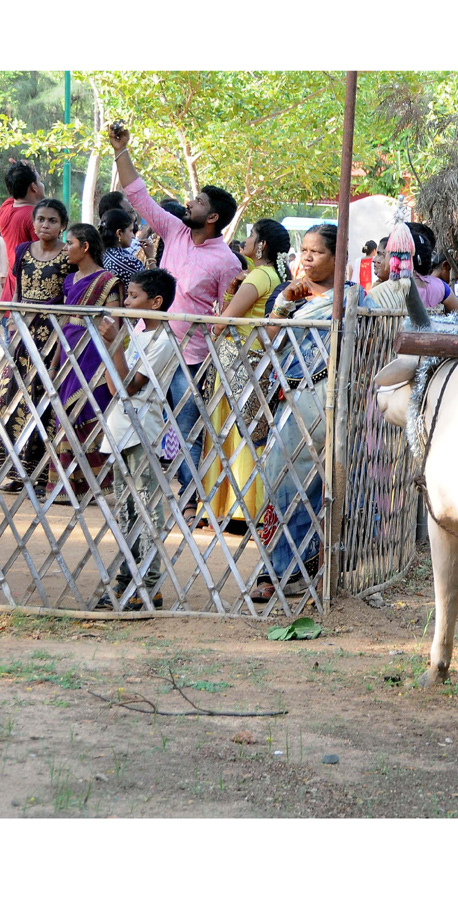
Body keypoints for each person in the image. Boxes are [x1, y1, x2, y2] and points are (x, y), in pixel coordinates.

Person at [108, 121, 242, 529]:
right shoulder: (174, 231)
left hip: (190, 356)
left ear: (213, 216)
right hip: (146, 344)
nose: (190, 202)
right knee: (136, 413)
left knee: (185, 429)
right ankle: (139, 491)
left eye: (198, 200)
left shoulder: (228, 262)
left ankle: (188, 501)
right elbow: (140, 197)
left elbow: (225, 312)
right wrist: (120, 151)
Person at [251, 224, 375, 603]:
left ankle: (311, 565)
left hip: (335, 398)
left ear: (339, 259)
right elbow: (266, 341)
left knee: (328, 486)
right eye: (303, 250)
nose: (306, 257)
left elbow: (370, 349)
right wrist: (284, 304)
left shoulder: (355, 299)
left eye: (316, 252)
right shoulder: (289, 295)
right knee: (282, 481)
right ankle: (280, 567)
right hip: (292, 398)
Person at [93, 268, 180, 611]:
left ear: (155, 302)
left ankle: (149, 583)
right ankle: (129, 578)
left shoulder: (163, 341)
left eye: (133, 296)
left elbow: (124, 387)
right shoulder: (141, 335)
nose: (126, 302)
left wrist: (114, 343)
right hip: (121, 429)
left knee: (146, 506)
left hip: (142, 429)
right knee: (126, 509)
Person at [202, 218, 291, 526]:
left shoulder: (257, 278)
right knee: (252, 430)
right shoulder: (269, 276)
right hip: (255, 360)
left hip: (237, 360)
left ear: (262, 244)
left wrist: (216, 319)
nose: (246, 240)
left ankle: (234, 508)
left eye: (252, 235)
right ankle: (248, 507)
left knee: (235, 432)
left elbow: (223, 322)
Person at [0, 198, 69, 498]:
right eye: (40, 219)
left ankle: (40, 475)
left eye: (52, 220)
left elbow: (68, 300)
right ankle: (12, 471)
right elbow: (16, 291)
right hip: (22, 335)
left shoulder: (68, 256)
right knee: (12, 398)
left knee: (43, 401)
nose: (45, 225)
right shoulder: (21, 251)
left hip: (51, 336)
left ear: (62, 225)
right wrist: (15, 325)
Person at [55, 223, 123, 497]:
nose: (65, 249)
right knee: (66, 411)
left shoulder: (108, 281)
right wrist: (55, 360)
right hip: (68, 349)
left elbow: (114, 323)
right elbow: (62, 321)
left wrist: (110, 353)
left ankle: (98, 482)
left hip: (94, 350)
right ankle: (69, 483)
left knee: (91, 406)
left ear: (84, 247)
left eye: (69, 243)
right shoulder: (69, 280)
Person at [2, 161, 45, 303]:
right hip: (28, 298)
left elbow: (16, 191)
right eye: (39, 181)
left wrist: (19, 172)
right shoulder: (34, 217)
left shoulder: (6, 208)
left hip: (9, 295)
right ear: (33, 187)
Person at [99, 208, 145, 287]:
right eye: (130, 231)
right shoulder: (129, 262)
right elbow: (150, 288)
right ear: (119, 233)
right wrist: (151, 259)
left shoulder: (98, 254)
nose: (133, 236)